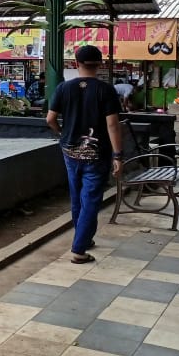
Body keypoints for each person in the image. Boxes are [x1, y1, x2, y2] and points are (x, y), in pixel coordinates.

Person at [46, 45, 123, 264]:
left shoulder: (63, 88)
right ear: (99, 64)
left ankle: (84, 237)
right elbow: (113, 125)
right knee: (90, 199)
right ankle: (79, 249)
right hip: (97, 154)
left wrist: (63, 133)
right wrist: (118, 155)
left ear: (76, 64)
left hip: (69, 151)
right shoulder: (106, 90)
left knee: (77, 194)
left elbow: (50, 120)